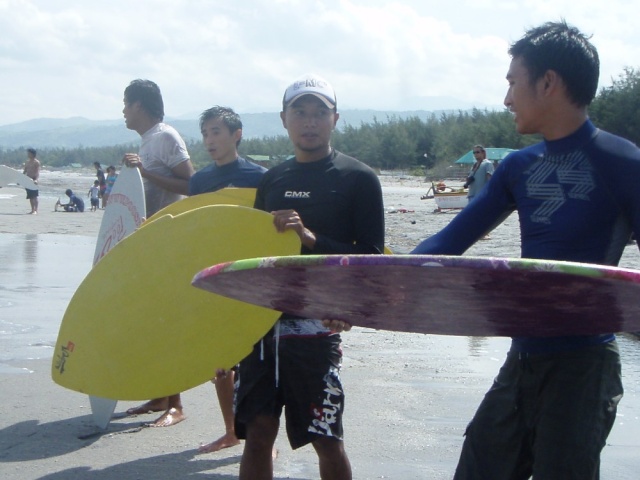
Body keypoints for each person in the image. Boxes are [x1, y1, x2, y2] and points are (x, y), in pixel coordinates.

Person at [410, 21, 636, 479]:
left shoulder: (623, 163)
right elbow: (447, 243)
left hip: (585, 366)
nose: (508, 98)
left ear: (548, 82)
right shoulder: (518, 166)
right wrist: (367, 283)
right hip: (523, 358)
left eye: (513, 82)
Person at [235, 74, 385, 480]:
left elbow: (371, 258)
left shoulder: (359, 179)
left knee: (325, 437)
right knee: (258, 431)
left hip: (318, 325)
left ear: (335, 119)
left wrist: (309, 239)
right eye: (300, 112)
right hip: (262, 325)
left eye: (320, 112)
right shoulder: (272, 180)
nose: (310, 121)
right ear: (284, 119)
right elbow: (253, 257)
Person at [189, 106, 267, 454]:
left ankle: (261, 439)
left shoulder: (261, 177)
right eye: (205, 133)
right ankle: (230, 430)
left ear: (237, 134)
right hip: (215, 274)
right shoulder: (199, 181)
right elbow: (194, 230)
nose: (209, 140)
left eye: (216, 132)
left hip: (250, 275)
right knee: (218, 359)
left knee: (253, 358)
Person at [120, 78, 195, 427]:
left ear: (140, 105)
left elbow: (191, 184)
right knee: (151, 320)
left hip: (171, 241)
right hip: (150, 243)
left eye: (126, 103)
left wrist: (145, 171)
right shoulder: (147, 141)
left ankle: (176, 404)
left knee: (167, 321)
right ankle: (162, 394)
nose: (122, 110)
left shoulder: (165, 137)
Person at [23, 148, 40, 214]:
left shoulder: (36, 162)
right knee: (30, 196)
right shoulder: (27, 162)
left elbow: (38, 172)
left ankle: (36, 210)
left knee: (34, 196)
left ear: (33, 154)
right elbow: (25, 171)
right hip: (28, 179)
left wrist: (36, 179)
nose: (28, 154)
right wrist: (21, 179)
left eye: (29, 153)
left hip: (34, 179)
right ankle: (32, 209)